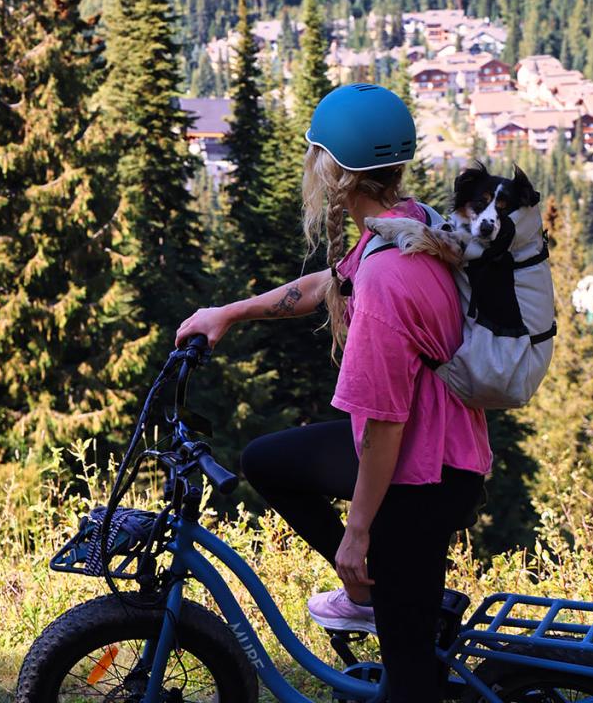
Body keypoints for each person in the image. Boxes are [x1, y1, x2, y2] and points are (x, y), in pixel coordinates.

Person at [175, 83, 490, 703]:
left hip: (421, 477)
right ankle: (382, 597)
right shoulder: (409, 225)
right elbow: (328, 283)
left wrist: (357, 536)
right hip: (439, 453)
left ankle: (381, 596)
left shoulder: (384, 282)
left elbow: (385, 428)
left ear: (336, 174)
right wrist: (231, 313)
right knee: (267, 460)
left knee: (409, 682)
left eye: (315, 155)